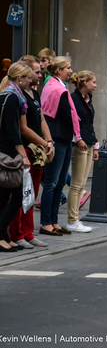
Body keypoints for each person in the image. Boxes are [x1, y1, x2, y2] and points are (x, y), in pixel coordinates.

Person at [8, 56, 53, 248]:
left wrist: (49, 141)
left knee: (31, 194)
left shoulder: (34, 94)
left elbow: (42, 120)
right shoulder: (18, 95)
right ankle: (17, 233)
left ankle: (28, 233)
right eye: (37, 72)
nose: (40, 75)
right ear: (24, 75)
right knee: (21, 194)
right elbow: (23, 128)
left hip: (36, 150)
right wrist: (43, 142)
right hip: (25, 149)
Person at [40, 57, 81, 237]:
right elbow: (67, 114)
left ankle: (54, 221)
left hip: (62, 138)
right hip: (59, 138)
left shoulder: (55, 86)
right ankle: (46, 223)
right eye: (68, 68)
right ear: (59, 70)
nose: (71, 71)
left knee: (58, 182)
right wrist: (78, 136)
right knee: (52, 182)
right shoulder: (57, 88)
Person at [0, 62, 33, 252]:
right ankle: (0, 235)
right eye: (28, 77)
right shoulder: (12, 98)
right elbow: (13, 131)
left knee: (4, 196)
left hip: (4, 152)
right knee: (18, 195)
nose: (30, 81)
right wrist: (23, 155)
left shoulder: (6, 95)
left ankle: (4, 237)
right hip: (9, 153)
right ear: (20, 78)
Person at [68, 71, 99, 233]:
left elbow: (89, 124)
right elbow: (72, 122)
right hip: (79, 144)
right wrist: (77, 138)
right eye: (93, 82)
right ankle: (72, 220)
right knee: (77, 184)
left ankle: (74, 220)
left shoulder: (88, 100)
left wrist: (95, 146)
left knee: (81, 184)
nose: (95, 85)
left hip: (87, 143)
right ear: (85, 83)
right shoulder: (73, 99)